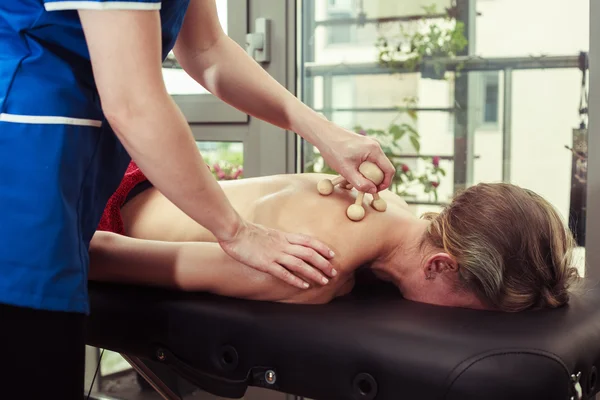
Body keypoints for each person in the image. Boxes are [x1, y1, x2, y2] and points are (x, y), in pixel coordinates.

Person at [0, 1, 395, 398]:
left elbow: (206, 50)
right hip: (22, 164)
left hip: (74, 173)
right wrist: (237, 233)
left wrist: (323, 132)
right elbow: (134, 104)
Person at [90, 161, 581, 312]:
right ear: (441, 265)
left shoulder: (395, 209)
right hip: (95, 201)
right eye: (480, 313)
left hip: (150, 171)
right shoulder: (313, 267)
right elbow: (96, 256)